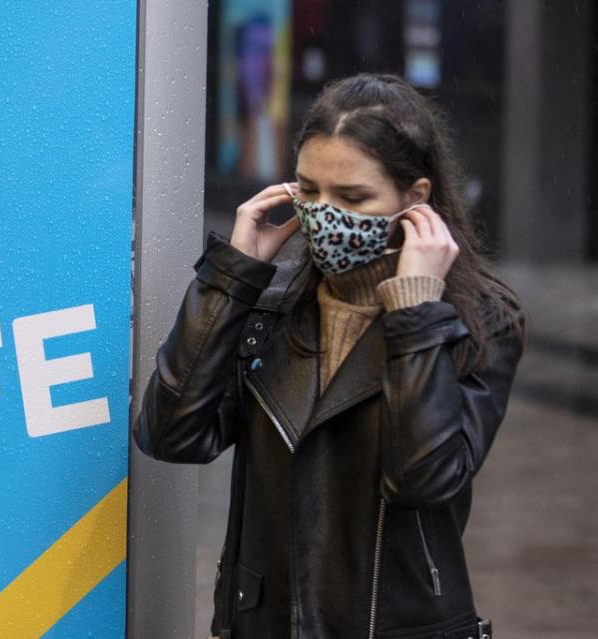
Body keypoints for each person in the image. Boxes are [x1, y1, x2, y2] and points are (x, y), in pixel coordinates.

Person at [133, 73, 525, 638]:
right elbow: (170, 435)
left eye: (353, 197)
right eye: (309, 190)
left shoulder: (479, 320)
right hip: (266, 622)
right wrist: (232, 279)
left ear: (415, 198)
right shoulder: (272, 299)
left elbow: (423, 479)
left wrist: (415, 311)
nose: (325, 214)